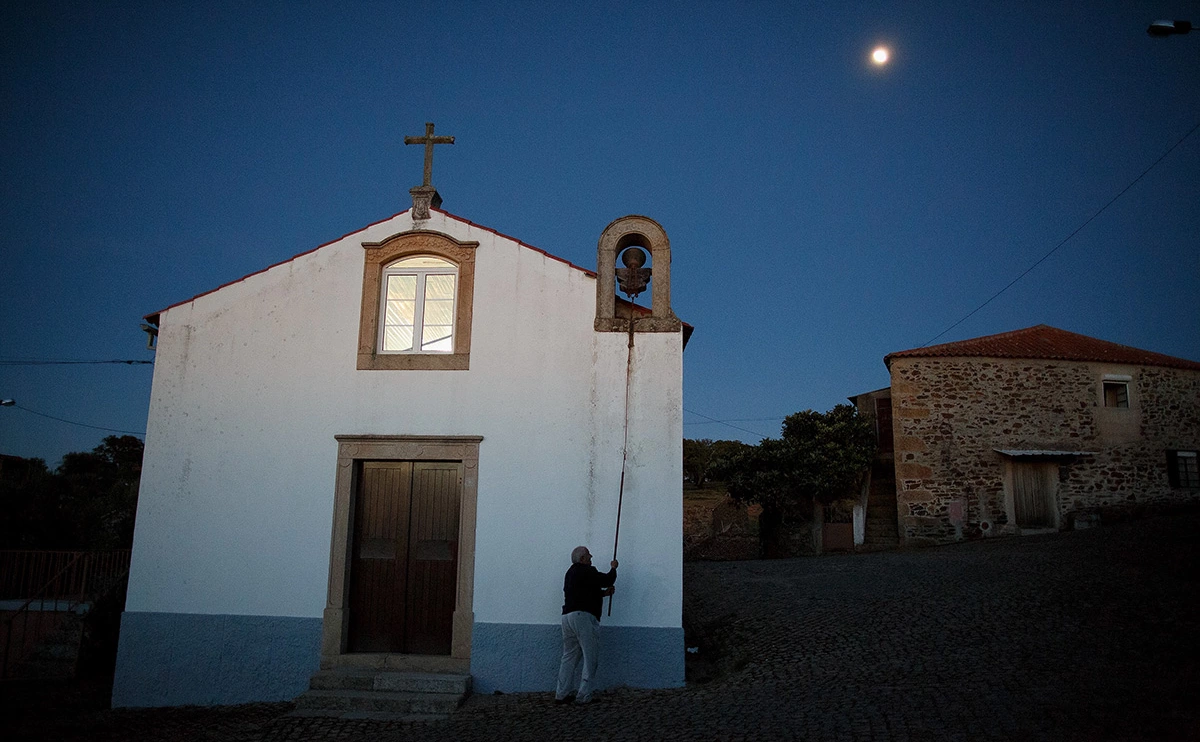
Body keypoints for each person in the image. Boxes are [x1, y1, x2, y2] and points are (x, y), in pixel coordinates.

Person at [554, 545, 617, 705]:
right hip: (584, 617)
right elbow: (607, 580)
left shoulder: (570, 573)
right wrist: (613, 568)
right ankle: (584, 695)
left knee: (569, 657)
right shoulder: (588, 571)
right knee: (590, 657)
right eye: (588, 555)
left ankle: (561, 693)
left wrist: (604, 594)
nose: (591, 557)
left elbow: (585, 591)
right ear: (582, 559)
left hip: (567, 616)